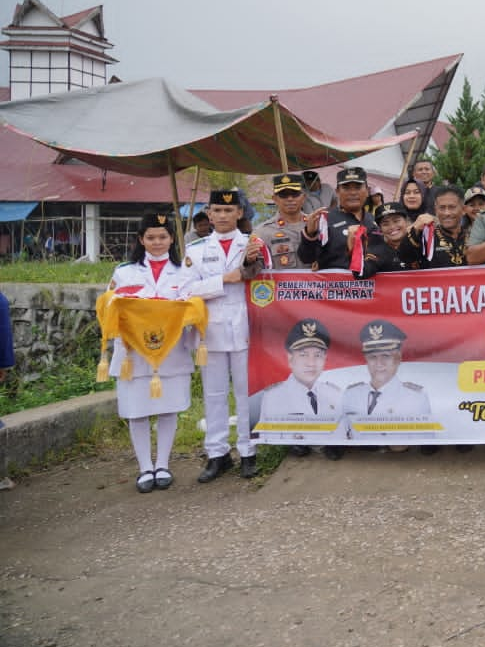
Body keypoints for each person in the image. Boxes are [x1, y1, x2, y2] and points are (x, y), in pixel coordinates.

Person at [104, 211, 199, 493]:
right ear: (141, 240)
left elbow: (192, 308)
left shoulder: (184, 272)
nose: (157, 242)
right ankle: (145, 467)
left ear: (172, 239)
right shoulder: (124, 272)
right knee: (138, 410)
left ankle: (163, 463)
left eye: (163, 237)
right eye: (151, 237)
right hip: (134, 353)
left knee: (168, 408)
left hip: (170, 351)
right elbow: (109, 309)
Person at [187, 190, 258, 481]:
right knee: (214, 394)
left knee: (246, 393)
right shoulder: (196, 250)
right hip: (210, 329)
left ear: (239, 213)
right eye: (217, 210)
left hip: (245, 327)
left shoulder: (252, 245)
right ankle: (217, 453)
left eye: (229, 211)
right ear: (209, 213)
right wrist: (223, 280)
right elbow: (186, 290)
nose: (223, 216)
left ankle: (248, 451)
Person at [258, 318, 344, 458]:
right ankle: (297, 445)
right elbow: (268, 434)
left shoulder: (334, 393)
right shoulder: (274, 396)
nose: (311, 363)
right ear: (291, 359)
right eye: (303, 355)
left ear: (325, 359)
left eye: (318, 355)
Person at [341, 320, 432, 418]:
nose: (379, 363)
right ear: (366, 360)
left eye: (385, 356)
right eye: (372, 357)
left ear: (398, 358)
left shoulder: (415, 399)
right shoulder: (350, 395)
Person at [298, 167, 378, 271]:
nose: (352, 193)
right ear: (337, 192)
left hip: (370, 285)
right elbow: (306, 258)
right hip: (333, 285)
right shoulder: (324, 219)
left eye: (358, 187)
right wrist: (310, 234)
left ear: (367, 191)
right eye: (346, 188)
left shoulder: (374, 220)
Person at [246, 173, 309, 272]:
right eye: (283, 195)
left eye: (295, 194)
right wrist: (249, 261)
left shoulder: (319, 226)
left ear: (304, 197)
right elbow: (248, 274)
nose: (290, 199)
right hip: (279, 287)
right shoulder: (261, 233)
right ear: (275, 199)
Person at [356, 203, 427, 278]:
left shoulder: (422, 242)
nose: (392, 227)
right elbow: (360, 274)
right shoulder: (377, 251)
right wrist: (355, 243)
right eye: (385, 224)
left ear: (406, 221)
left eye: (396, 221)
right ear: (380, 229)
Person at [417, 184, 470, 268]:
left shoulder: (474, 236)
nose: (447, 213)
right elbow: (405, 257)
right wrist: (414, 229)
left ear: (463, 210)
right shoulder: (426, 235)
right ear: (435, 210)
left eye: (452, 207)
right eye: (442, 208)